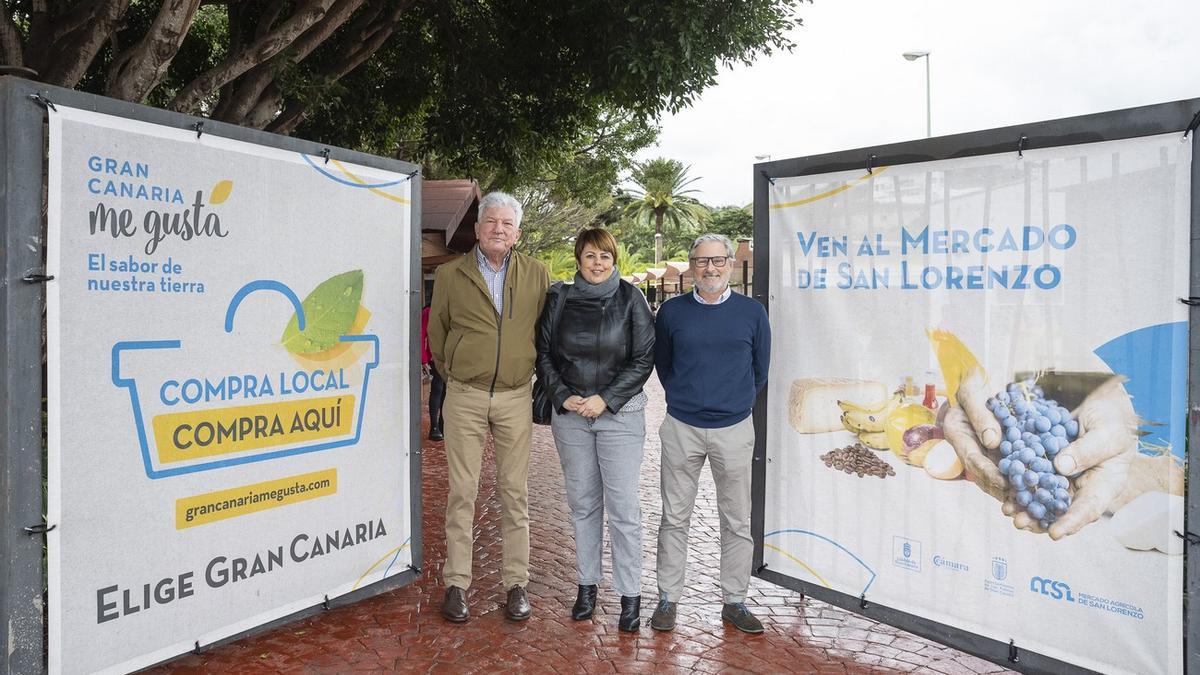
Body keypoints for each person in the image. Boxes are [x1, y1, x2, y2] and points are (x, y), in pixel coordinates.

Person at [427, 191, 549, 623]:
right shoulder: (449, 274)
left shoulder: (537, 273)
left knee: (515, 493)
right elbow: (437, 336)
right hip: (465, 396)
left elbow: (543, 332)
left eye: (507, 224)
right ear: (477, 229)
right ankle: (456, 584)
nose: (499, 229)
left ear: (517, 232)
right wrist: (459, 369)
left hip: (516, 396)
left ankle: (516, 583)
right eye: (491, 222)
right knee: (462, 492)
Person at [650, 233, 771, 634]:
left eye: (718, 260)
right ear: (691, 266)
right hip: (682, 426)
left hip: (734, 429)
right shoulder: (671, 313)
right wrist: (689, 399)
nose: (710, 268)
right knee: (674, 517)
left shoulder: (752, 313)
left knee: (737, 520)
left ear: (730, 264)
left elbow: (759, 372)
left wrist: (731, 403)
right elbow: (664, 366)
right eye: (701, 262)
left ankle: (734, 601)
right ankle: (668, 597)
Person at [535, 228, 655, 632]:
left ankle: (630, 593)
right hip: (571, 417)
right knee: (583, 504)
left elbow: (643, 358)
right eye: (590, 255)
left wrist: (605, 398)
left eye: (605, 256)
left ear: (614, 258)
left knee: (623, 509)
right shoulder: (560, 298)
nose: (598, 263)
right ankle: (587, 585)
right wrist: (563, 396)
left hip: (619, 415)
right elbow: (544, 354)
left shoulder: (630, 298)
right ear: (578, 259)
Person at [421, 298, 446, 441]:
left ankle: (443, 425)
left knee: (447, 392)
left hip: (451, 358)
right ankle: (434, 427)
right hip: (435, 357)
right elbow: (421, 334)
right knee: (438, 389)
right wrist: (423, 359)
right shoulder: (428, 312)